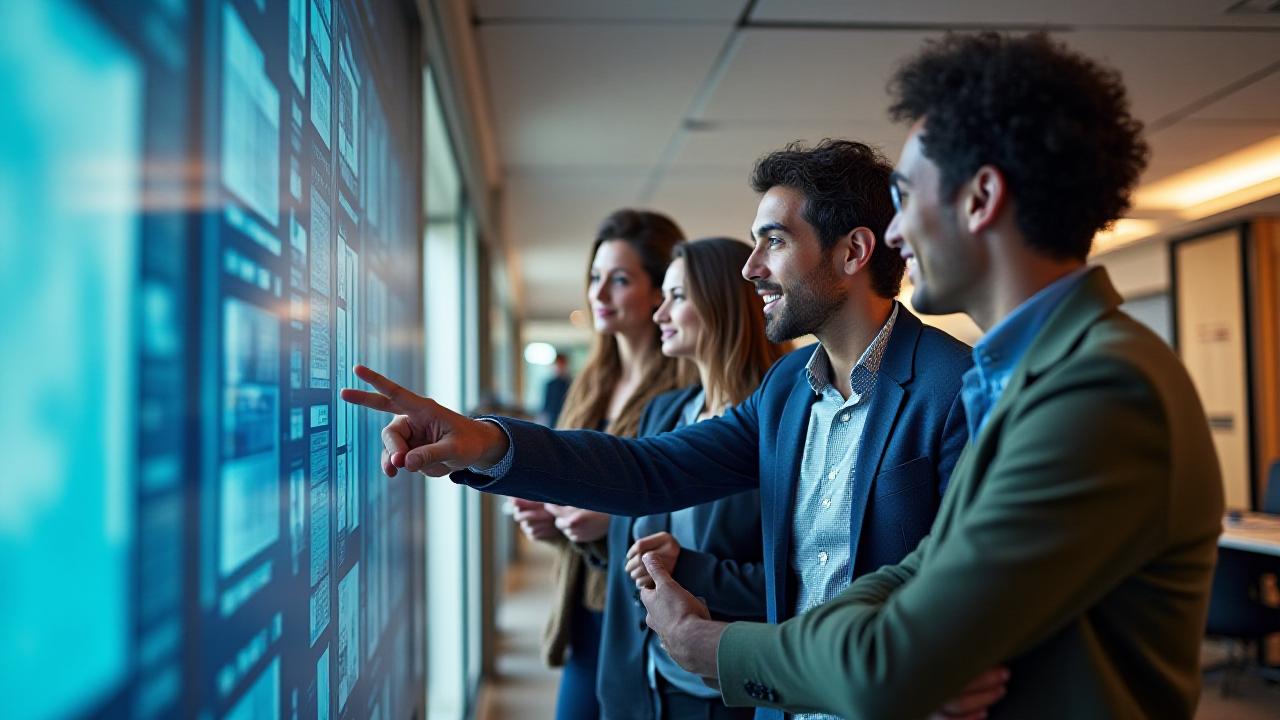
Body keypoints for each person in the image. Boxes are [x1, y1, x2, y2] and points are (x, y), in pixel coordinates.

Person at [632, 32, 1225, 719]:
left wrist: (714, 646)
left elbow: (898, 659)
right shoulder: (1026, 375)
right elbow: (917, 577)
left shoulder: (1103, 389)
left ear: (980, 199)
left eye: (905, 196)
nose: (891, 234)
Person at [342, 140, 974, 718]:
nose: (751, 267)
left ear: (854, 252)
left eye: (774, 242)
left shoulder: (954, 386)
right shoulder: (785, 392)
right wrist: (483, 441)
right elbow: (651, 468)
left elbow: (964, 588)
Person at [509, 208, 692, 720]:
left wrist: (612, 523)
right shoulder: (590, 382)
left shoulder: (683, 386)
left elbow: (699, 502)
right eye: (594, 278)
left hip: (644, 612)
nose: (599, 294)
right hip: (584, 604)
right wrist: (552, 519)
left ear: (659, 291)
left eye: (619, 280)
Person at [595, 237, 786, 719]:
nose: (659, 315)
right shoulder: (663, 412)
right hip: (647, 682)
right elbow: (630, 548)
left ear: (721, 305)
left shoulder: (780, 426)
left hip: (727, 694)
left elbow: (799, 584)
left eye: (677, 297)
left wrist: (692, 569)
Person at [540, 353, 572, 427]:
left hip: (567, 418)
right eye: (558, 364)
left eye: (562, 364)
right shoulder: (550, 384)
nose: (559, 367)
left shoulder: (571, 383)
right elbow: (546, 405)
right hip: (552, 420)